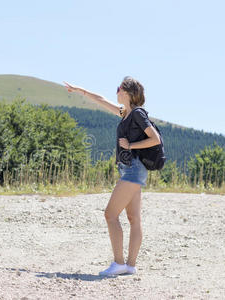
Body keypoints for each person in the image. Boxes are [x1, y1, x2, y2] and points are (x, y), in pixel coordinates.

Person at [64, 76, 161, 276]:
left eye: (118, 88)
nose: (116, 91)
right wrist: (80, 90)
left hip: (133, 169)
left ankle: (118, 263)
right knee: (134, 218)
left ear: (127, 92)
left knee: (110, 214)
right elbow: (100, 99)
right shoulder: (125, 113)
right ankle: (130, 266)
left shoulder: (137, 114)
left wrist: (131, 145)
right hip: (130, 169)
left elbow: (155, 139)